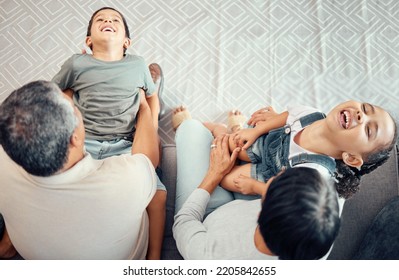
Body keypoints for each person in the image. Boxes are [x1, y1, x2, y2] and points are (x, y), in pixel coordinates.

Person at [51, 7, 166, 259]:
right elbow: (53, 93)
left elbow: (151, 97)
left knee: (157, 197)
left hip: (125, 142)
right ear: (89, 40)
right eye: (100, 20)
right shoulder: (76, 63)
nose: (107, 21)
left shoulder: (136, 64)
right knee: (55, 182)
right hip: (85, 142)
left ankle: (155, 258)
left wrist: (152, 126)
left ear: (127, 41)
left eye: (115, 20)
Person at [0, 80, 158, 259]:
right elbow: (149, 159)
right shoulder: (125, 180)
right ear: (74, 138)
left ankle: (8, 244)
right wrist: (145, 108)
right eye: (74, 106)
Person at [172, 118, 340, 259]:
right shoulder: (317, 236)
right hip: (238, 208)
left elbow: (183, 221)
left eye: (275, 180)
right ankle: (234, 131)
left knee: (190, 128)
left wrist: (215, 173)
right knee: (252, 145)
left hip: (206, 218)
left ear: (259, 212)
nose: (279, 172)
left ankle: (207, 131)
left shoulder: (211, 256)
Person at [190, 100, 398, 200]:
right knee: (229, 141)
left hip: (269, 176)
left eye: (369, 130)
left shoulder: (316, 173)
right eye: (365, 108)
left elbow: (283, 193)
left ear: (351, 158)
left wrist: (254, 187)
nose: (361, 115)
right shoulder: (313, 114)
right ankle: (225, 130)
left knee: (226, 179)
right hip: (266, 144)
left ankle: (228, 131)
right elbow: (286, 117)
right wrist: (256, 132)